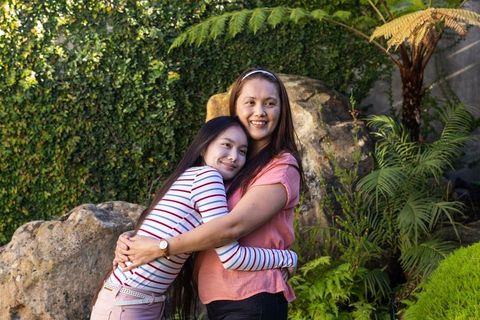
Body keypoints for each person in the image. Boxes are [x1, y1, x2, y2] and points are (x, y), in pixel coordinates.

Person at [116, 68, 304, 320]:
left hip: (253, 296)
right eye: (250, 102)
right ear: (235, 106)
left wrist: (161, 247)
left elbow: (232, 226)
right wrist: (132, 241)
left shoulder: (281, 165)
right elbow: (182, 214)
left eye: (270, 103)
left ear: (281, 111)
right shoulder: (230, 164)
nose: (260, 112)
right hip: (218, 297)